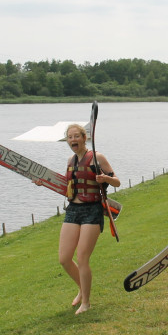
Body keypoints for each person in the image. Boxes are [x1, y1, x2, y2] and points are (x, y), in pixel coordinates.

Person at [59, 123, 119, 314]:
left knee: (82, 258)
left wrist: (104, 179)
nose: (73, 140)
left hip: (92, 210)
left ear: (85, 138)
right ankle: (82, 288)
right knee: (64, 258)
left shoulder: (97, 157)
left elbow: (116, 181)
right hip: (73, 210)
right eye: (70, 137)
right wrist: (41, 182)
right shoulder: (70, 160)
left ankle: (86, 302)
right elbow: (67, 185)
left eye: (77, 136)